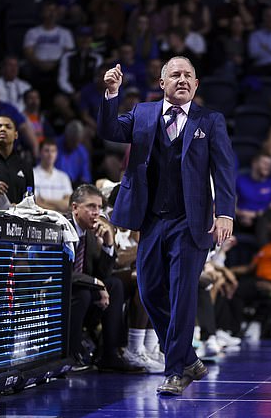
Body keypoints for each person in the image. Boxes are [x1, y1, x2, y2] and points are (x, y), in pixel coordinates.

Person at [97, 56, 236, 395]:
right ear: (162, 83)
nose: (182, 79)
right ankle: (187, 356)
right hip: (151, 219)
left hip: (191, 222)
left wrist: (225, 214)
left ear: (197, 84)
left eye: (188, 75)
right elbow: (109, 130)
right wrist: (111, 95)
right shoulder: (143, 113)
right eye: (175, 74)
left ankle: (175, 371)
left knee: (182, 294)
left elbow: (225, 169)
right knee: (148, 289)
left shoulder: (210, 120)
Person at [67, 184, 127, 371]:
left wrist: (109, 244)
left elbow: (103, 275)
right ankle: (72, 355)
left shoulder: (92, 234)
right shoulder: (61, 228)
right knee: (84, 293)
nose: (96, 212)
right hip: (58, 292)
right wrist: (95, 283)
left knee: (115, 285)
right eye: (91, 207)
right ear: (75, 208)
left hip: (82, 288)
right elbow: (63, 274)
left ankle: (109, 354)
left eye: (99, 207)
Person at [33, 139, 73, 213]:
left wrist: (45, 200)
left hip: (61, 219)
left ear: (57, 153)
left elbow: (68, 204)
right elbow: (35, 203)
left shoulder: (64, 177)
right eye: (46, 151)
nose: (50, 154)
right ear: (40, 153)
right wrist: (58, 207)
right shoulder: (32, 174)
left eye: (53, 151)